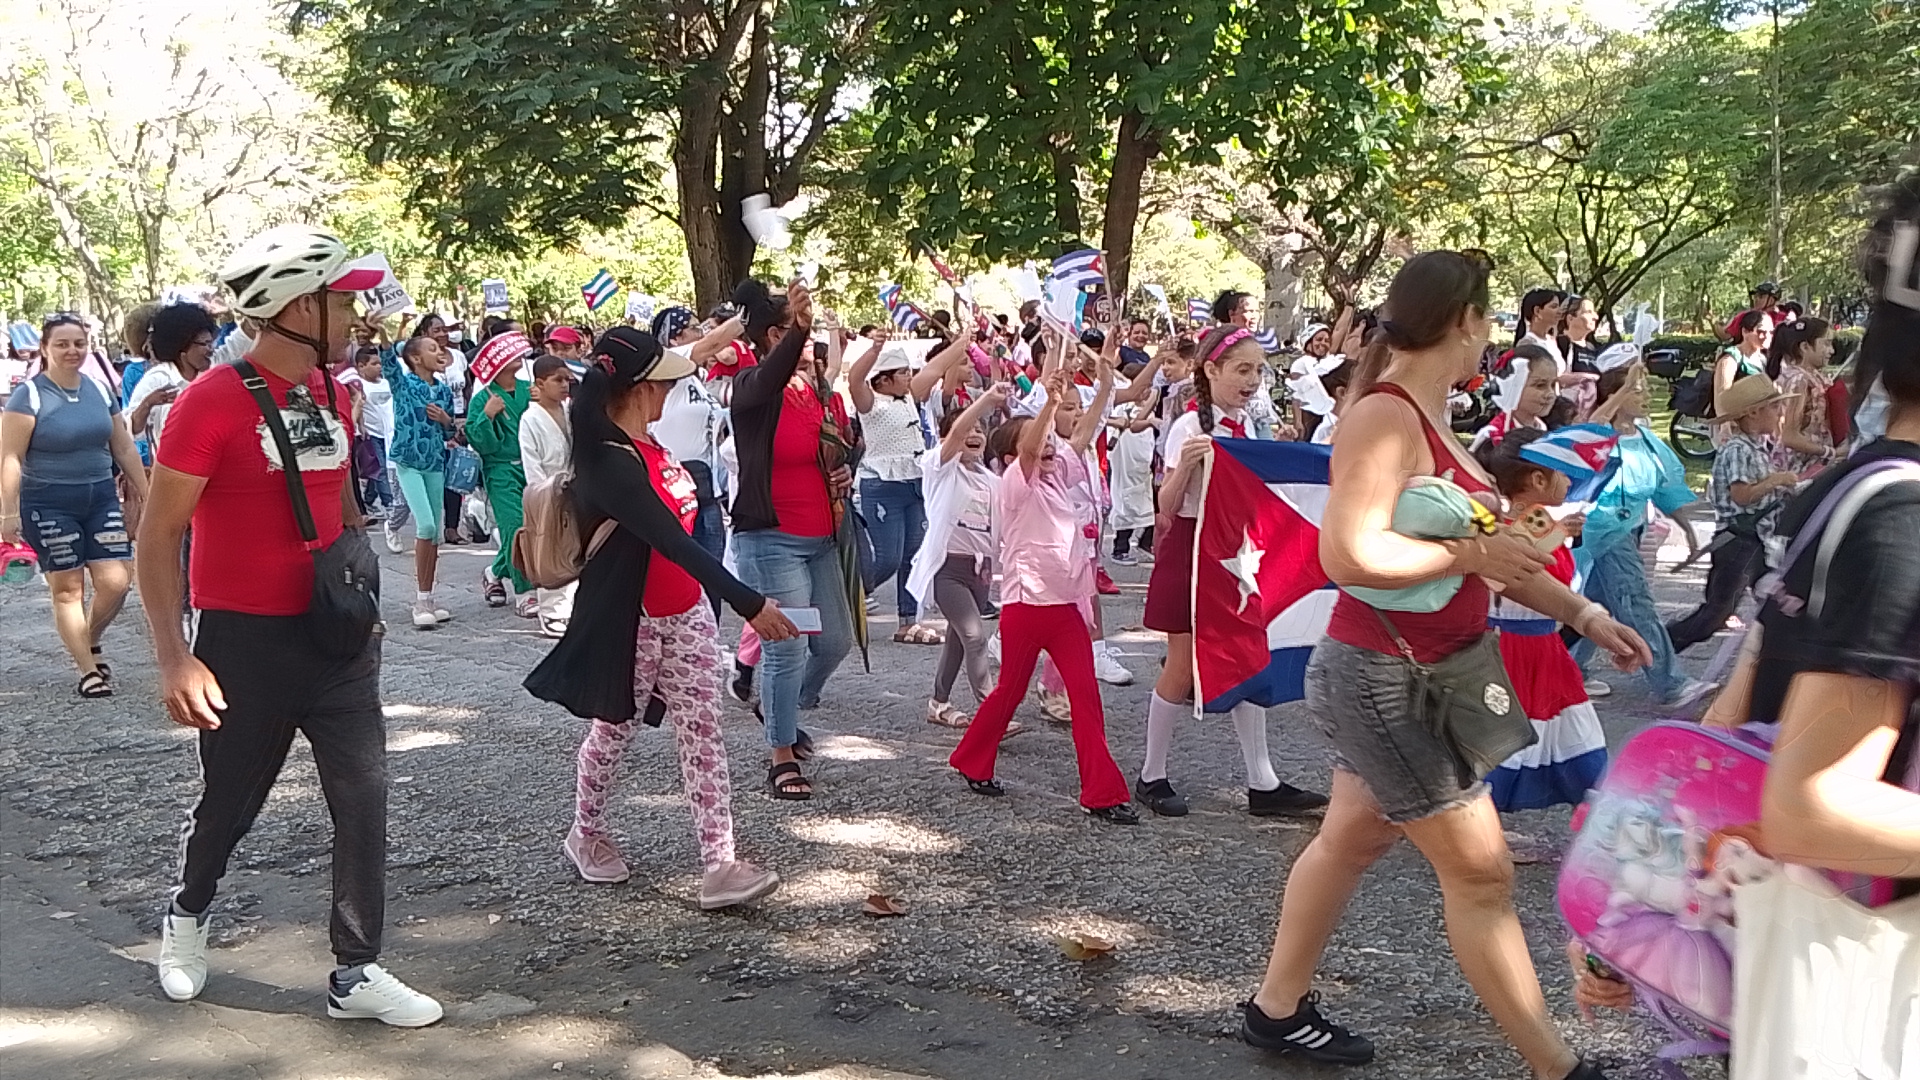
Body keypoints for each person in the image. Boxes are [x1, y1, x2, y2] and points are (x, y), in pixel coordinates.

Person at [1244, 251, 1648, 1079]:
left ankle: (1274, 1009)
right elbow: (1350, 555)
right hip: (1386, 678)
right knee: (1482, 870)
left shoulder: (1429, 418)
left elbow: (1493, 557)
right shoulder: (1383, 415)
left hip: (1431, 670)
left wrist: (1583, 612)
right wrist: (1470, 553)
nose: (1490, 339)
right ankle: (1557, 1067)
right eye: (1488, 321)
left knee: (1350, 840)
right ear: (1463, 319)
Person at [137, 224, 441, 1025]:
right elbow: (158, 535)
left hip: (335, 636)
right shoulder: (209, 401)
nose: (358, 314)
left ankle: (356, 971)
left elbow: (334, 498)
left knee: (364, 796)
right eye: (344, 299)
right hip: (243, 641)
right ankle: (189, 911)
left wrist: (360, 594)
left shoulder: (334, 392)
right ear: (296, 307)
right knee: (231, 801)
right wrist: (174, 658)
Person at [525, 327, 798, 908]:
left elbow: (696, 357)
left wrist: (771, 326)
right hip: (632, 619)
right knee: (614, 731)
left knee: (704, 735)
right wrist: (751, 604)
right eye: (662, 382)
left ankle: (720, 865)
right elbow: (672, 541)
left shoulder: (643, 442)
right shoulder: (607, 460)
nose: (672, 391)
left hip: (686, 613)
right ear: (638, 388)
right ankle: (586, 831)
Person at [1135, 324, 1329, 819]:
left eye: (1259, 371)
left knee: (1250, 656)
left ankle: (1261, 780)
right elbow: (1165, 505)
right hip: (1194, 549)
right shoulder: (1189, 427)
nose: (1252, 381)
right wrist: (1186, 466)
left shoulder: (1248, 428)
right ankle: (1151, 773)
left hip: (1240, 554)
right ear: (1211, 370)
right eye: (1242, 370)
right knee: (1180, 665)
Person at [949, 370, 1138, 825]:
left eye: (1052, 435)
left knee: (1086, 696)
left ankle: (1101, 792)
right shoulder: (1016, 482)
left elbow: (1086, 431)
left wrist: (1106, 382)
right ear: (1014, 455)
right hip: (1026, 607)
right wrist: (1049, 405)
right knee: (1009, 692)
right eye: (1041, 438)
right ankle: (973, 759)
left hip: (1065, 609)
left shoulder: (1056, 475)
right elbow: (1033, 446)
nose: (1051, 443)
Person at [726, 279, 854, 801]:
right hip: (772, 539)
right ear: (775, 334)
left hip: (822, 536)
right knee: (787, 647)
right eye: (799, 334)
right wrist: (800, 328)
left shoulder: (813, 389)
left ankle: (777, 707)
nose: (810, 346)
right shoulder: (750, 386)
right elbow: (770, 376)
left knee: (837, 642)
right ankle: (781, 753)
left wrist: (845, 468)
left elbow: (836, 447)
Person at [0, 313, 148, 698]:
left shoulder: (99, 390)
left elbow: (123, 445)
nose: (72, 351)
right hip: (47, 501)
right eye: (62, 344)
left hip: (99, 497)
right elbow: (10, 456)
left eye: (78, 344)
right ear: (45, 349)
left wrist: (147, 491)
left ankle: (88, 637)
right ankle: (87, 670)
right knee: (67, 589)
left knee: (117, 582)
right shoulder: (29, 395)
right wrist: (8, 512)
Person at [1473, 429, 1607, 813]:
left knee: (1572, 729)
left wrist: (1560, 532)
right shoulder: (1517, 523)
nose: (1571, 481)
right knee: (1509, 739)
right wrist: (1559, 533)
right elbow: (1514, 565)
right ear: (1537, 480)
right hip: (1516, 650)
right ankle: (1482, 829)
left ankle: (1599, 807)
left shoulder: (1536, 520)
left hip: (1542, 647)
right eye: (1564, 473)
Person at [1570, 351, 1712, 706]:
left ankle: (1571, 672)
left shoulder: (1648, 440)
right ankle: (1672, 684)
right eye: (1637, 390)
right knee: (1635, 604)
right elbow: (1595, 427)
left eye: (1645, 389)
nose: (1646, 395)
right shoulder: (1599, 434)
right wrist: (1619, 391)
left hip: (1627, 531)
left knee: (1595, 605)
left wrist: (1690, 530)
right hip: (1597, 531)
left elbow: (1666, 489)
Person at [908, 385, 1019, 730]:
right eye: (967, 430)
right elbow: (956, 434)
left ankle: (938, 703)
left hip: (980, 569)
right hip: (948, 569)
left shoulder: (992, 480)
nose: (974, 435)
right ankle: (992, 709)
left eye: (980, 430)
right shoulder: (939, 468)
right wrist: (985, 401)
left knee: (958, 640)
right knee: (975, 636)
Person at [1665, 374, 1799, 655]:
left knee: (1777, 599)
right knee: (1716, 613)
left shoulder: (1756, 448)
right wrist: (1776, 481)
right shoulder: (1738, 449)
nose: (1780, 412)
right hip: (1739, 543)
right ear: (1753, 413)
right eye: (1774, 407)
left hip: (1758, 541)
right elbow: (1742, 495)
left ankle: (1780, 655)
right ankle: (1660, 646)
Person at [848, 340, 944, 643]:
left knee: (912, 556)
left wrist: (963, 342)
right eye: (903, 372)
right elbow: (854, 380)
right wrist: (876, 349)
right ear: (884, 379)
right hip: (882, 484)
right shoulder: (871, 404)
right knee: (888, 556)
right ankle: (845, 597)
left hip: (914, 482)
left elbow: (937, 367)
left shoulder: (909, 399)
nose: (909, 377)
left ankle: (907, 622)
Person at [382, 334, 458, 627]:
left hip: (435, 463)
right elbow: (390, 366)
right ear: (415, 358)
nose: (440, 352)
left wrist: (444, 420)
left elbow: (451, 433)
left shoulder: (443, 391)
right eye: (432, 348)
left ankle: (427, 596)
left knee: (434, 533)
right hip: (409, 463)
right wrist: (386, 337)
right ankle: (421, 601)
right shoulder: (405, 384)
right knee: (425, 525)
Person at [465, 331, 537, 617]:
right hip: (501, 470)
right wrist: (488, 415)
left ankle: (495, 571)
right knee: (513, 527)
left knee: (533, 529)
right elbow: (480, 441)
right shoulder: (483, 398)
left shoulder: (529, 389)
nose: (517, 358)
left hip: (531, 467)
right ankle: (524, 592)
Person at [521, 354, 576, 637]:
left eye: (567, 379)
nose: (565, 385)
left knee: (572, 550)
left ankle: (571, 608)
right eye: (558, 380)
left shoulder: (569, 411)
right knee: (549, 551)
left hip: (574, 490)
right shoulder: (530, 418)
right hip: (546, 493)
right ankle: (551, 611)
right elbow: (532, 463)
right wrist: (545, 494)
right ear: (540, 384)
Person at [128, 302, 220, 462]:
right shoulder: (158, 379)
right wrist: (147, 404)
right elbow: (128, 430)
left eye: (211, 343)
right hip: (172, 475)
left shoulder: (213, 371)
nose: (210, 349)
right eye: (204, 344)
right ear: (182, 347)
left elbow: (240, 342)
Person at [1765, 315, 1841, 470]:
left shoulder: (1809, 377)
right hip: (1800, 467)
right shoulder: (1799, 380)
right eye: (1826, 344)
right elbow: (1790, 436)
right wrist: (1830, 452)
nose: (1831, 350)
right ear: (1805, 347)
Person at [1106, 366, 1158, 564]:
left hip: (1142, 464)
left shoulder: (1150, 409)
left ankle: (1146, 542)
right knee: (1125, 505)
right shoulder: (1123, 409)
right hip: (1126, 464)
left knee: (1149, 505)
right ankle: (1120, 548)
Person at [1467, 343, 1557, 452]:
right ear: (1513, 386)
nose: (1550, 393)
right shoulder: (1491, 435)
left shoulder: (1543, 430)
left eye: (1553, 385)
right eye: (1540, 385)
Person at [351, 347, 394, 516]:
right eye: (374, 364)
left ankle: (368, 499)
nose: (379, 367)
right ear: (361, 366)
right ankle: (389, 502)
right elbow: (359, 407)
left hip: (387, 433)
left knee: (376, 469)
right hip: (371, 434)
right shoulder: (359, 386)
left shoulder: (385, 383)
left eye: (380, 363)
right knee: (380, 467)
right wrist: (361, 427)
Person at [1712, 309, 1773, 411]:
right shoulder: (1730, 358)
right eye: (1761, 332)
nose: (1767, 336)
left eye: (1771, 332)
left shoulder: (1763, 359)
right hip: (1734, 422)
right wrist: (1726, 425)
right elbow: (1721, 400)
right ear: (1745, 331)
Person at [1721, 280, 1789, 340]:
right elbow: (1725, 336)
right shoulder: (1744, 316)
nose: (1756, 299)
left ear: (1771, 300)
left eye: (1760, 297)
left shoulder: (1785, 318)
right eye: (1755, 296)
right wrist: (1713, 320)